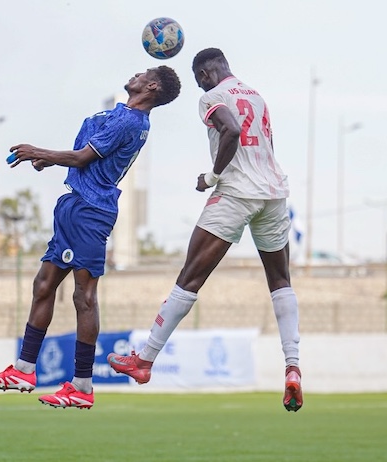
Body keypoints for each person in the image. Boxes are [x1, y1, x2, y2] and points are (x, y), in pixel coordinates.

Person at [107, 48, 304, 412]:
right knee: (280, 280)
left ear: (205, 72)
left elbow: (230, 129)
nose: (200, 84)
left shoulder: (213, 97)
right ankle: (292, 366)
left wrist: (211, 177)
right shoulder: (257, 96)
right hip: (274, 192)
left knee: (190, 277)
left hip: (236, 193)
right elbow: (266, 146)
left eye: (199, 78)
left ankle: (145, 360)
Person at [0, 66, 181, 409]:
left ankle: (82, 386)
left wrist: (38, 152)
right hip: (75, 204)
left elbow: (82, 157)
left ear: (151, 86)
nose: (135, 72)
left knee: (83, 296)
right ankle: (24, 370)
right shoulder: (124, 114)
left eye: (144, 72)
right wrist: (51, 160)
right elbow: (82, 158)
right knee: (43, 285)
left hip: (91, 211)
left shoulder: (131, 121)